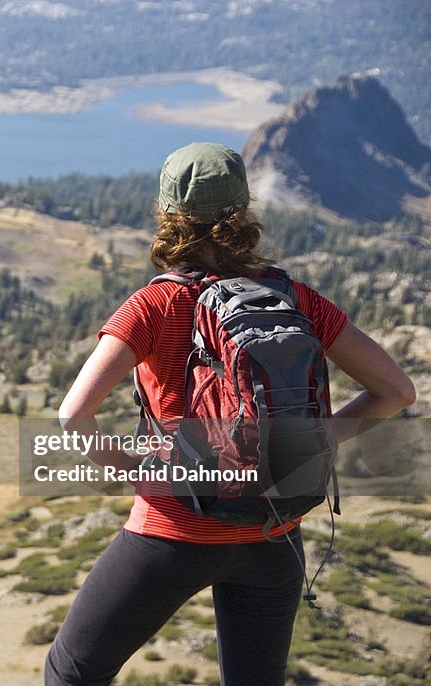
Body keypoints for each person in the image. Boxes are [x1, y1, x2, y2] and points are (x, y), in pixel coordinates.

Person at [44, 142, 416, 686]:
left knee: (70, 673)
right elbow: (397, 392)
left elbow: (73, 416)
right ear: (242, 213)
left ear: (168, 214)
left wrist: (142, 475)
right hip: (274, 534)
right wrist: (307, 444)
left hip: (172, 530)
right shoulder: (297, 300)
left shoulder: (156, 304)